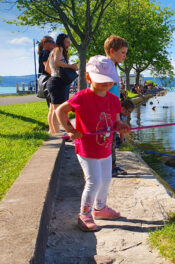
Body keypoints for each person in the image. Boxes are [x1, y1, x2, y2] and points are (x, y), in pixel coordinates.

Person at [56, 55, 130, 231]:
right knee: (94, 182)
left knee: (106, 179)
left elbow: (116, 121)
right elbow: (61, 111)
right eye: (101, 80)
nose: (106, 84)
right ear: (88, 78)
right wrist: (70, 130)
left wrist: (121, 127)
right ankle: (84, 214)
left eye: (110, 81)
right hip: (87, 149)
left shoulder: (113, 99)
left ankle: (100, 208)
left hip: (105, 148)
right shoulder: (81, 97)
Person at [103, 35, 129, 176]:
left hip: (112, 107)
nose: (125, 56)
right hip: (108, 109)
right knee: (110, 139)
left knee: (112, 138)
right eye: (123, 52)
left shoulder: (112, 65)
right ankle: (110, 168)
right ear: (112, 51)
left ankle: (112, 166)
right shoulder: (107, 65)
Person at [46, 33, 77, 134]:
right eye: (67, 42)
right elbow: (56, 63)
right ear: (62, 41)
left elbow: (47, 68)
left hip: (53, 80)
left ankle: (52, 131)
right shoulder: (59, 49)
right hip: (58, 82)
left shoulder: (53, 51)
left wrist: (54, 74)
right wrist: (70, 66)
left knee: (52, 109)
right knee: (57, 110)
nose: (69, 44)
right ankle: (57, 134)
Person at [38, 35, 55, 107]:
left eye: (54, 41)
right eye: (51, 41)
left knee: (51, 105)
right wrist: (56, 76)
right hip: (49, 78)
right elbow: (47, 67)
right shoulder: (46, 52)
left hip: (47, 78)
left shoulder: (44, 52)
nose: (53, 43)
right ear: (44, 43)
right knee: (53, 104)